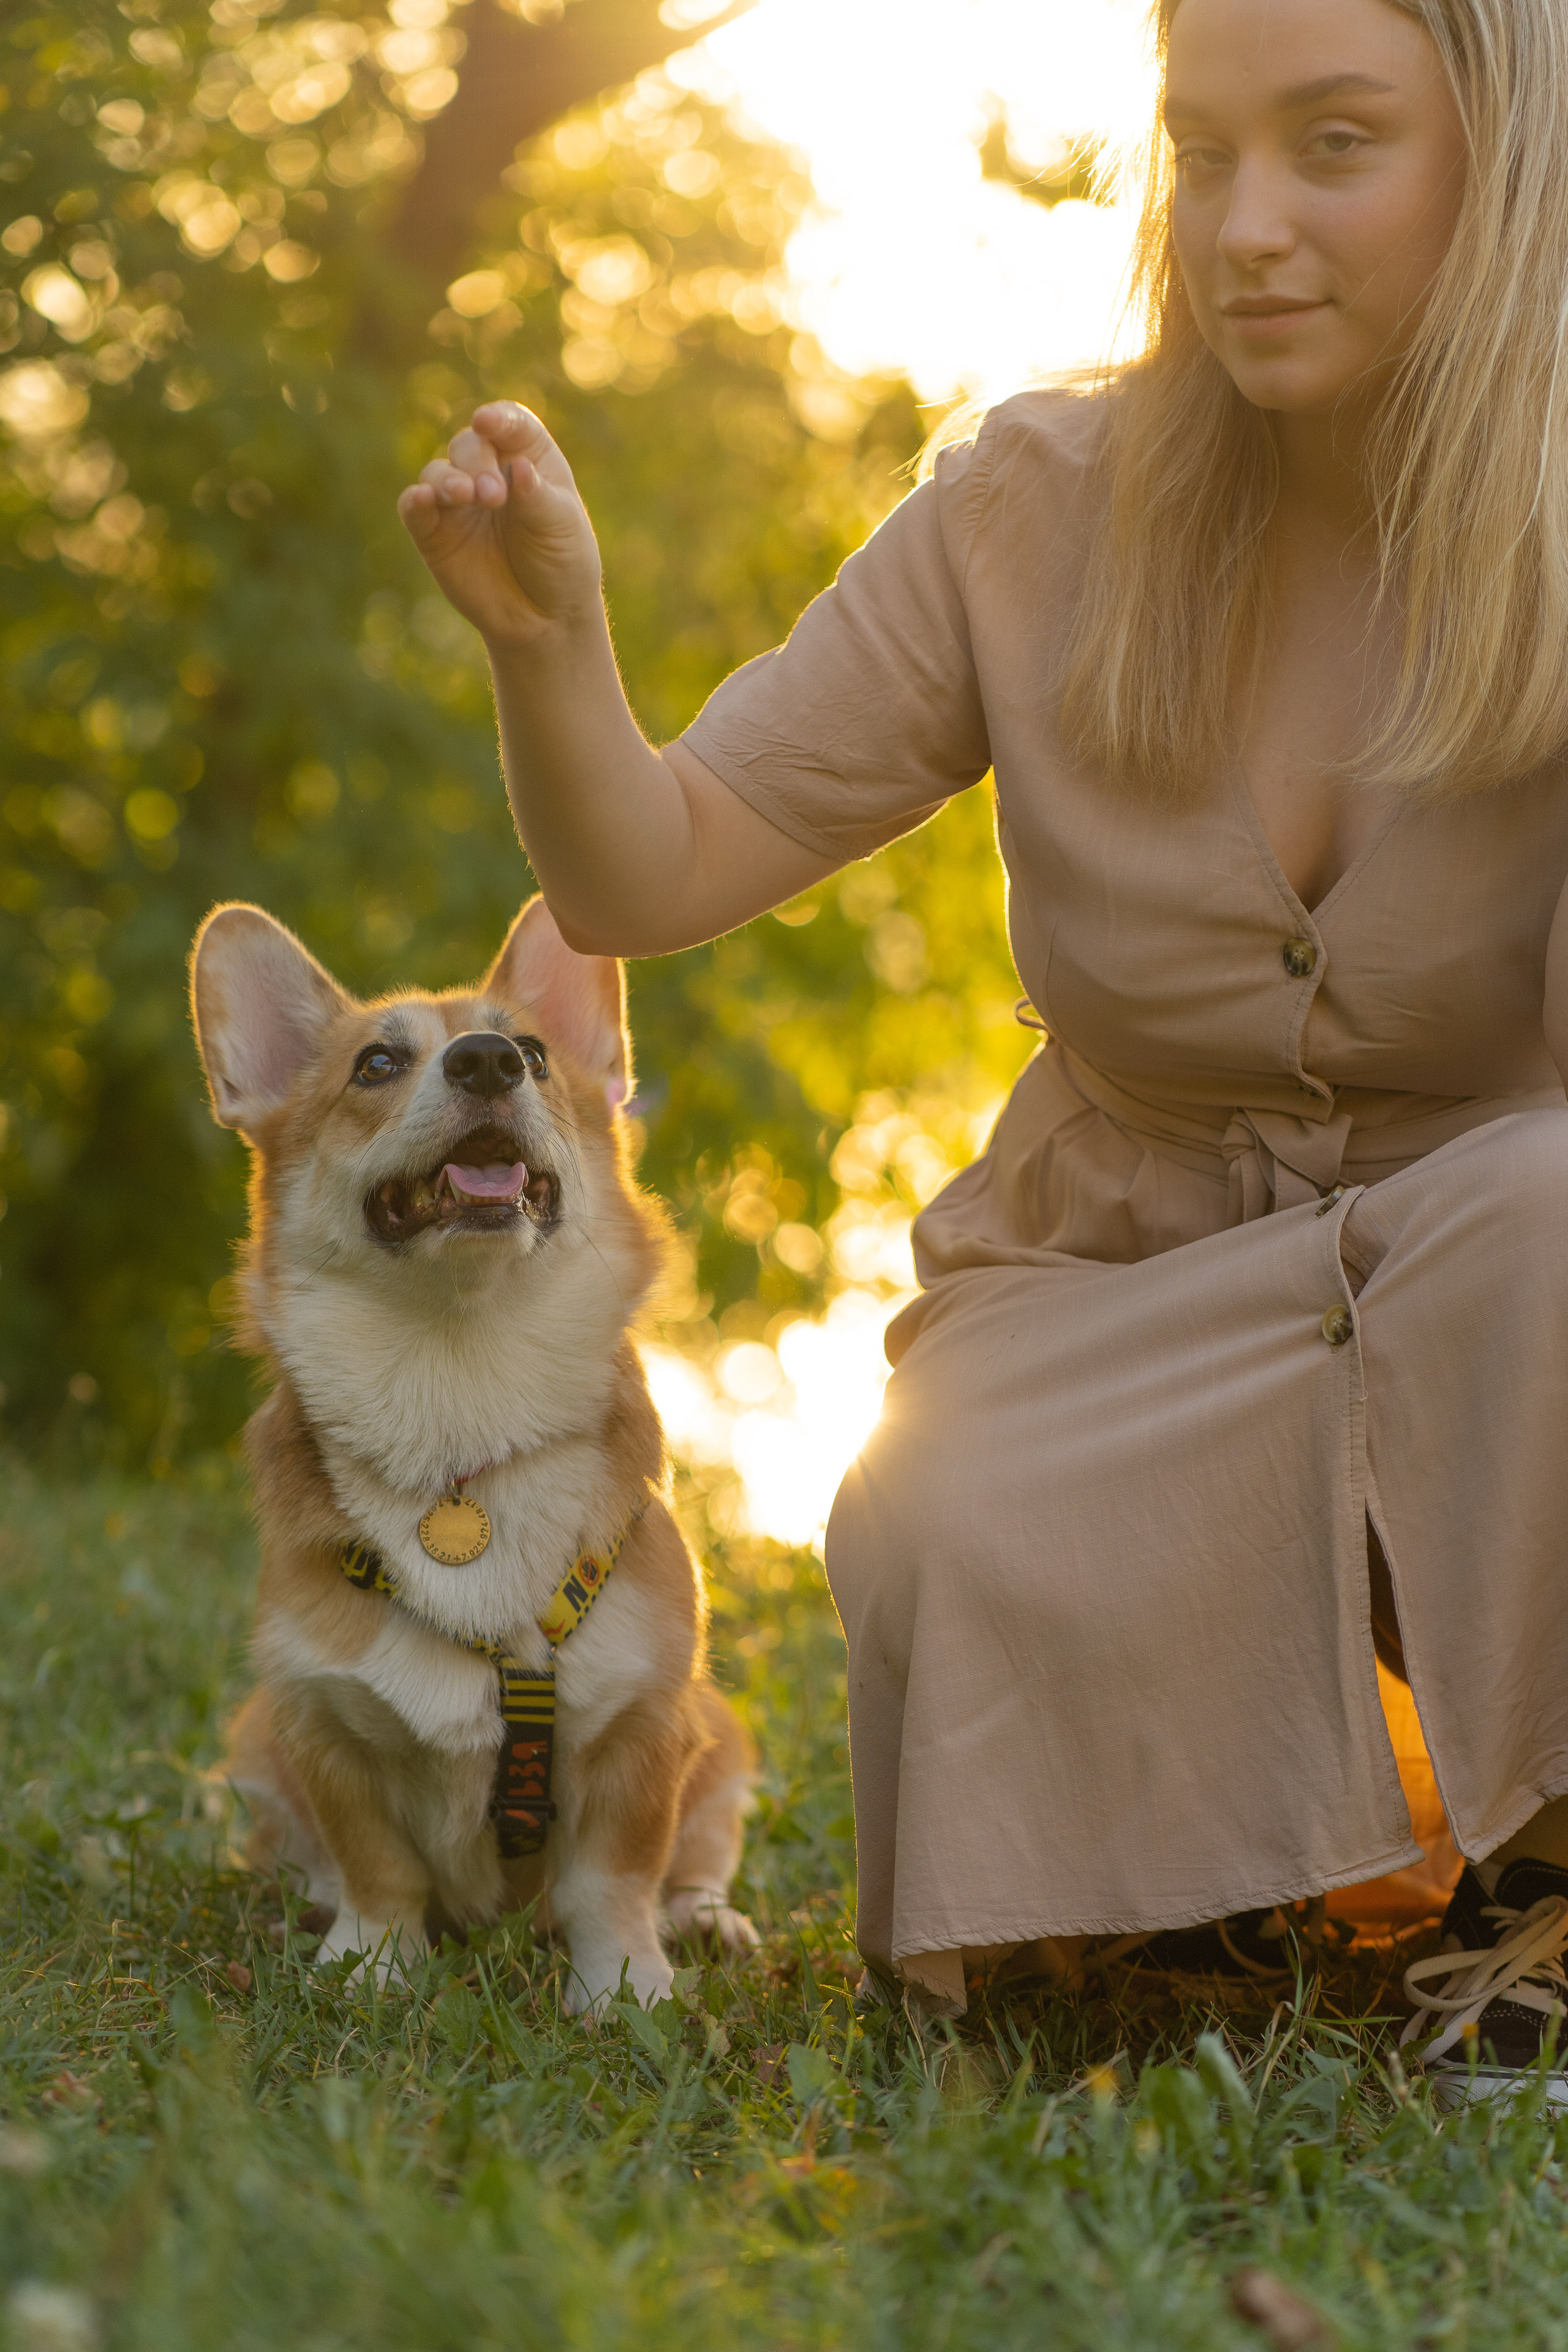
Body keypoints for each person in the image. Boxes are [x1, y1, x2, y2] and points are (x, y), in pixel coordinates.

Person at [400, 0, 1568, 2102]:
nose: (1249, 228)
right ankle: (1231, 1879)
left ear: (1509, 154)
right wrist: (549, 646)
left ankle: (1549, 1884)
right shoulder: (1036, 504)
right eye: (1203, 157)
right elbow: (656, 867)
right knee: (940, 1507)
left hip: (1511, 1274)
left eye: (1334, 145)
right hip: (1119, 1273)